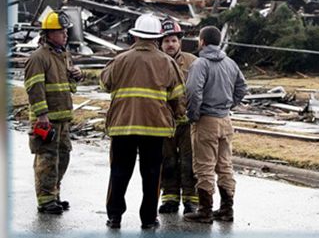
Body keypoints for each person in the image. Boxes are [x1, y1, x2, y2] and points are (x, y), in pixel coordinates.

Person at [100, 13, 186, 230]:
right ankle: (148, 219)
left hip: (122, 127)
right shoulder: (167, 62)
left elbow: (105, 84)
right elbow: (177, 95)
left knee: (119, 172)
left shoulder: (120, 60)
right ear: (158, 38)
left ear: (135, 37)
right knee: (151, 175)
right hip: (154, 128)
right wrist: (178, 115)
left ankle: (114, 217)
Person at [184, 26, 247, 224]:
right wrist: (230, 104)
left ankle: (205, 210)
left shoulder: (200, 64)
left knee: (204, 166)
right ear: (218, 42)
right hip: (225, 120)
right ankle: (227, 209)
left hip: (206, 120)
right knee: (225, 166)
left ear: (201, 41)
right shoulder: (230, 63)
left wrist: (193, 115)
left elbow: (194, 91)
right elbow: (242, 87)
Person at [24, 10, 83, 215]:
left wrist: (76, 77)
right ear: (48, 34)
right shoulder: (38, 58)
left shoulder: (63, 55)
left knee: (63, 156)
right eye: (60, 32)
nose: (65, 35)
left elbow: (68, 87)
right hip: (46, 119)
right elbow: (34, 88)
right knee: (46, 159)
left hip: (63, 117)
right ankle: (45, 200)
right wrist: (42, 117)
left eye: (66, 31)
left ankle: (54, 194)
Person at [158, 19, 199, 215]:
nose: (170, 45)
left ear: (179, 41)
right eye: (166, 41)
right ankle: (170, 198)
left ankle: (191, 199)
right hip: (164, 123)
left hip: (188, 123)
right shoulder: (156, 62)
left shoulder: (193, 62)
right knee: (167, 161)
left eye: (173, 40)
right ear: (160, 43)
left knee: (189, 161)